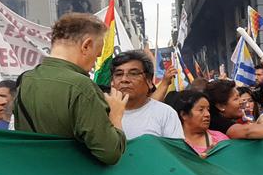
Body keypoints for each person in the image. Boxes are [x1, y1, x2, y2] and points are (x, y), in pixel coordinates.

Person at [12, 13, 127, 165]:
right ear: (86, 45)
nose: (95, 62)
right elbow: (110, 153)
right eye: (97, 54)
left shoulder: (25, 79)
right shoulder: (82, 87)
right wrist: (116, 116)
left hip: (34, 174)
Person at [110, 50, 182, 140]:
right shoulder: (101, 113)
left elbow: (175, 151)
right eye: (119, 74)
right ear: (112, 82)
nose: (124, 79)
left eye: (133, 74)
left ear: (149, 81)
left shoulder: (165, 114)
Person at [167, 90, 229, 157]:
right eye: (201, 110)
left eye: (208, 109)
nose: (207, 114)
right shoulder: (173, 142)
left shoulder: (220, 139)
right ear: (184, 115)